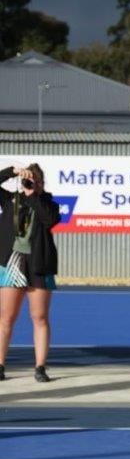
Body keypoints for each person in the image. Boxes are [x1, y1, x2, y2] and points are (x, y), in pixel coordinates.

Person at [0, 163, 59, 383]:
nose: (30, 183)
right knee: (6, 317)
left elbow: (49, 220)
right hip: (12, 262)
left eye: (35, 181)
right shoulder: (10, 200)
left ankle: (40, 367)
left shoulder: (48, 204)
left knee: (39, 316)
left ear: (41, 183)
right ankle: (0, 365)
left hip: (39, 263)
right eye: (28, 180)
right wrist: (12, 171)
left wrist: (33, 194)